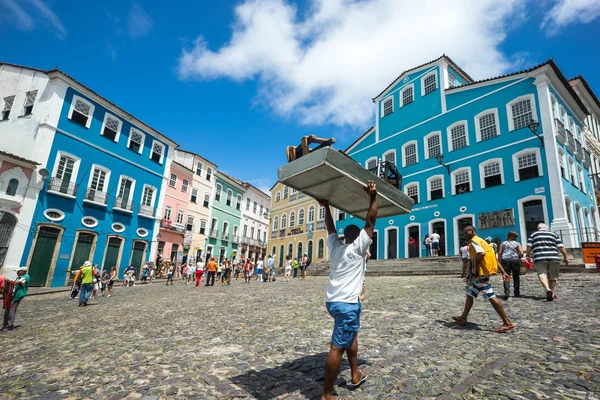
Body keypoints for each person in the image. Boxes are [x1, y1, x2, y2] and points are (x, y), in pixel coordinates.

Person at [319, 180, 378, 400]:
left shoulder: (336, 247)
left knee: (351, 335)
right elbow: (370, 220)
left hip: (332, 302)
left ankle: (354, 374)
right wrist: (373, 197)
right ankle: (326, 394)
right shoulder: (357, 249)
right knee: (337, 348)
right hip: (346, 304)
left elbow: (330, 227)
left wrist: (326, 207)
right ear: (359, 239)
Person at [452, 226, 515, 333]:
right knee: (470, 294)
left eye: (467, 231)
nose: (465, 234)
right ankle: (463, 317)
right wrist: (503, 272)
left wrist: (473, 264)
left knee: (490, 295)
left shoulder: (474, 242)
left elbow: (481, 254)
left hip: (480, 274)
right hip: (483, 273)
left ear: (473, 231)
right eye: (464, 232)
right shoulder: (484, 242)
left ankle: (507, 322)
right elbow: (494, 258)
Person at [526, 223, 568, 301]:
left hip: (539, 257)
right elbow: (561, 246)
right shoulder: (553, 235)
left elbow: (529, 246)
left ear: (538, 228)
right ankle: (551, 292)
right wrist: (565, 257)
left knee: (542, 274)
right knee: (553, 275)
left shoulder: (533, 235)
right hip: (553, 257)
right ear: (547, 228)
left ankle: (547, 289)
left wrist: (527, 255)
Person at [1, 267, 30, 333]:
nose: (17, 273)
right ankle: (5, 325)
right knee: (7, 309)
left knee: (11, 310)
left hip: (17, 296)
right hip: (12, 295)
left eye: (19, 271)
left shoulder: (25, 277)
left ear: (23, 271)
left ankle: (9, 326)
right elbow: (12, 281)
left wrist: (4, 279)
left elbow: (15, 283)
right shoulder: (19, 277)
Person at [498, 231, 524, 300]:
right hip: (515, 260)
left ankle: (507, 291)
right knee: (516, 276)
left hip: (505, 260)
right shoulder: (517, 244)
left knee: (506, 275)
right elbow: (521, 253)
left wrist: (498, 261)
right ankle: (516, 292)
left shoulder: (503, 243)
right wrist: (517, 256)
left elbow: (500, 253)